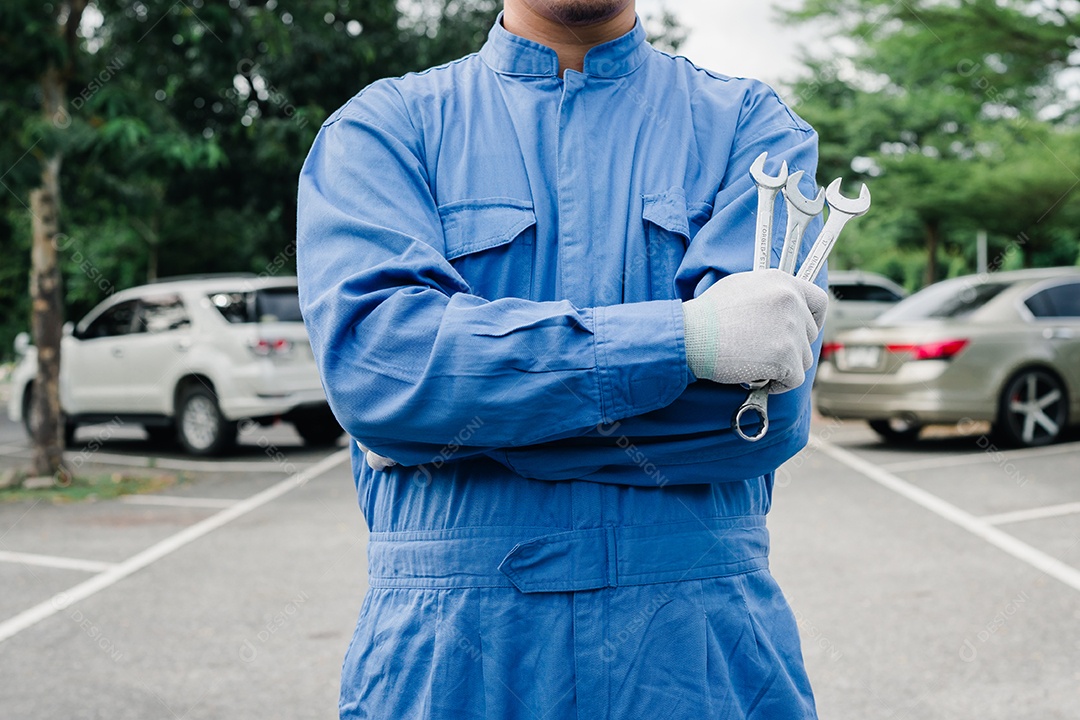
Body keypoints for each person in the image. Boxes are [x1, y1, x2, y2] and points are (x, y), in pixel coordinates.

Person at [297, 1, 829, 717]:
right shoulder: (385, 130)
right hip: (450, 663)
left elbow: (762, 417)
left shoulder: (750, 130)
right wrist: (692, 343)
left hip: (699, 663)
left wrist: (457, 422)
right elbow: (377, 375)